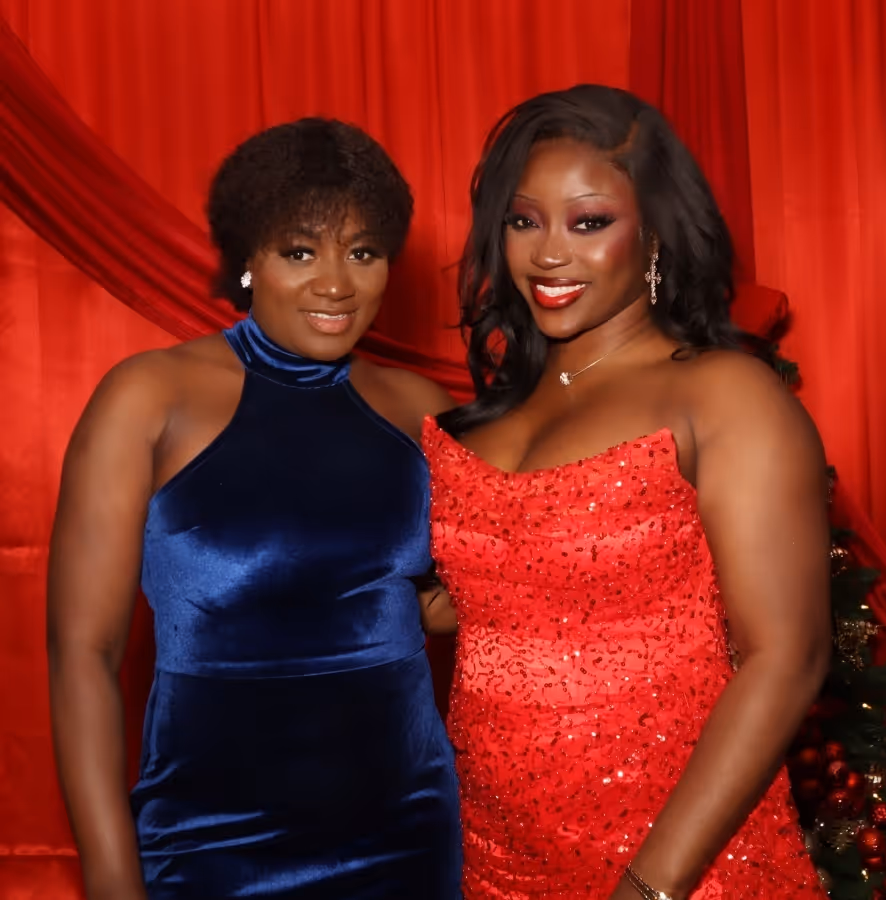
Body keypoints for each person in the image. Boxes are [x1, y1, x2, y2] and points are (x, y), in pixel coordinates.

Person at [420, 85, 831, 899]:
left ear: (652, 234)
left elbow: (788, 658)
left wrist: (649, 889)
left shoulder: (723, 397)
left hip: (684, 866)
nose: (547, 254)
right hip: (492, 861)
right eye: (523, 220)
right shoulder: (486, 418)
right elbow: (476, 606)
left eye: (588, 222)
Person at [47, 118, 462, 900]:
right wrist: (109, 878)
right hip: (209, 842)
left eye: (363, 252)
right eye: (299, 251)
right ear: (247, 259)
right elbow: (82, 657)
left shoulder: (422, 412)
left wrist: (432, 610)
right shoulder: (148, 397)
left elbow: (505, 586)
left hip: (406, 837)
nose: (336, 283)